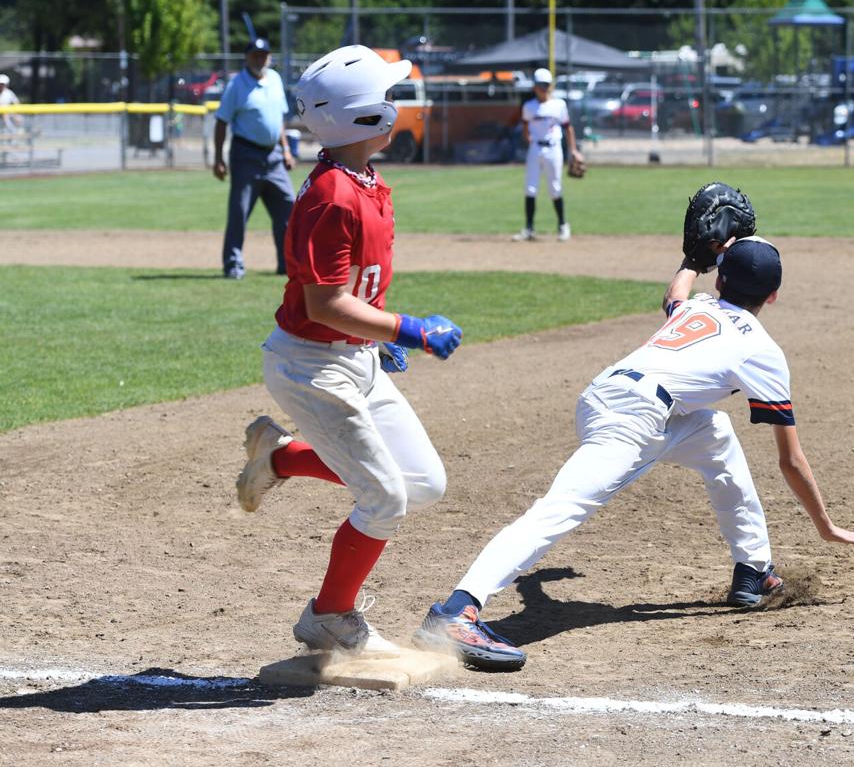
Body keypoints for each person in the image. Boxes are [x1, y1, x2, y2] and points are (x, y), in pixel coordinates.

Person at [413, 229, 854, 670]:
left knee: (716, 435)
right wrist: (826, 525)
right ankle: (458, 610)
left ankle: (752, 570)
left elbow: (673, 295)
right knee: (560, 508)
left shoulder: (698, 308)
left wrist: (692, 260)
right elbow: (790, 459)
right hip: (631, 419)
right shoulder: (762, 349)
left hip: (609, 395)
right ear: (772, 296)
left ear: (721, 278)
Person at [233, 45, 464, 654]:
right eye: (384, 97)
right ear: (360, 115)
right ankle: (328, 617)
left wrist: (375, 337)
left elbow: (352, 292)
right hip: (311, 368)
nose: (393, 106)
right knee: (383, 497)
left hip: (351, 358)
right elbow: (323, 305)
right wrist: (407, 329)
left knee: (423, 482)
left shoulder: (365, 181)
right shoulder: (332, 195)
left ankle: (280, 458)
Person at [213, 37, 295, 279]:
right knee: (239, 212)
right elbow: (221, 121)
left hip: (274, 156)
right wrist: (218, 159)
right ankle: (233, 265)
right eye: (255, 55)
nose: (260, 59)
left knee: (288, 208)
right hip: (246, 154)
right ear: (247, 58)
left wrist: (286, 149)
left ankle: (287, 263)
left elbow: (278, 120)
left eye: (264, 55)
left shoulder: (275, 79)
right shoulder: (236, 85)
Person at [513, 67, 582, 243]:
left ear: (550, 86)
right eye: (539, 85)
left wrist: (573, 150)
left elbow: (568, 128)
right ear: (534, 87)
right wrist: (529, 141)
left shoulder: (559, 105)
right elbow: (526, 127)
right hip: (535, 148)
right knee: (530, 188)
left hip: (554, 149)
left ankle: (563, 225)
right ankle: (529, 228)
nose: (543, 88)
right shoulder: (529, 107)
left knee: (555, 188)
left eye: (546, 85)